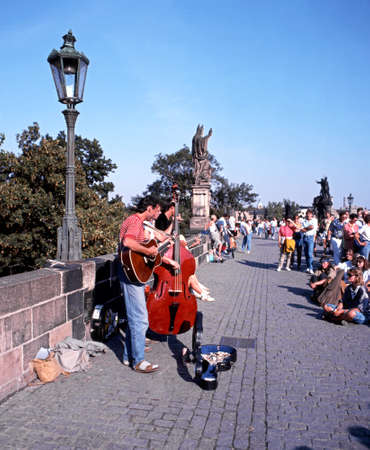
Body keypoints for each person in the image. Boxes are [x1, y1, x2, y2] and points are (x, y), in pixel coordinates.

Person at [118, 196, 164, 373]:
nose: (158, 213)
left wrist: (150, 249)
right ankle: (138, 362)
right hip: (129, 276)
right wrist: (148, 251)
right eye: (157, 210)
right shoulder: (136, 221)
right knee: (141, 319)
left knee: (134, 318)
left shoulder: (137, 222)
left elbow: (133, 245)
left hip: (132, 273)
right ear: (149, 209)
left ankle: (128, 357)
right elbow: (128, 242)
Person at [301, 209, 318, 274]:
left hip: (311, 238)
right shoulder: (304, 221)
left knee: (310, 254)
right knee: (306, 254)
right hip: (305, 237)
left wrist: (305, 228)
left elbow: (312, 227)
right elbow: (302, 230)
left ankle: (311, 268)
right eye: (307, 214)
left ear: (311, 215)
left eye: (309, 214)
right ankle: (308, 267)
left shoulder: (314, 220)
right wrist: (306, 228)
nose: (308, 215)